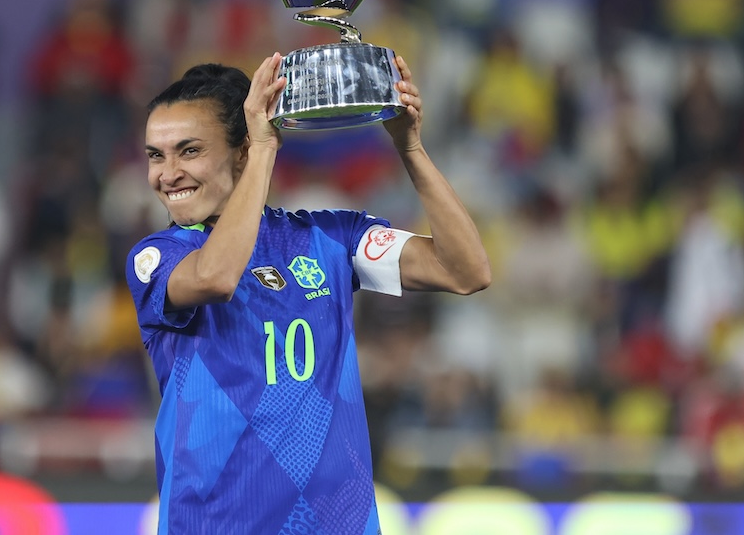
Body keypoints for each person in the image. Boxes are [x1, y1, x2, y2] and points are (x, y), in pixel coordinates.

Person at [125, 52, 490, 534]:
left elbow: (465, 270)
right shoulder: (158, 257)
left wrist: (410, 149)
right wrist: (265, 150)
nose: (166, 173)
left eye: (189, 151)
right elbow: (218, 276)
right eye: (156, 154)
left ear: (239, 151)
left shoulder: (329, 239)